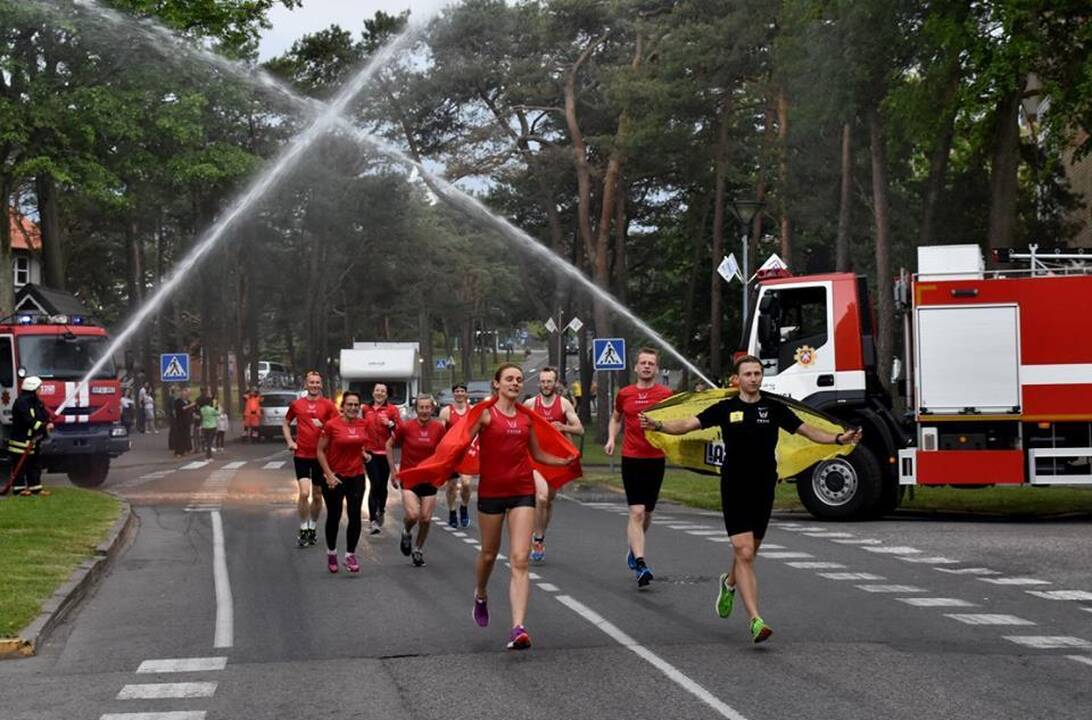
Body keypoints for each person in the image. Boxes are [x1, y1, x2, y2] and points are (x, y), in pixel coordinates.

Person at [641, 354, 862, 643]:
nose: (754, 378)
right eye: (748, 374)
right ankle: (756, 620)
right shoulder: (725, 408)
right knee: (744, 552)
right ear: (738, 379)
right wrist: (658, 426)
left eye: (758, 373)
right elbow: (686, 425)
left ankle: (729, 582)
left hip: (764, 486)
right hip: (734, 486)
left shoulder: (774, 408)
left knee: (750, 552)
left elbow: (808, 431)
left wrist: (836, 439)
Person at [604, 347, 674, 588]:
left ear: (656, 368)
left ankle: (634, 548)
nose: (646, 366)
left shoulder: (665, 394)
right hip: (631, 457)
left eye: (650, 363)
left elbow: (674, 422)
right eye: (642, 362)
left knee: (648, 513)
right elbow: (616, 418)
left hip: (655, 458)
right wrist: (612, 438)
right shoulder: (625, 394)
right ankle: (641, 564)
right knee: (636, 511)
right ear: (635, 367)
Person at [523, 366, 583, 562]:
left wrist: (563, 426)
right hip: (536, 458)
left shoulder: (564, 404)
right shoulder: (531, 403)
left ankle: (540, 535)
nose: (545, 385)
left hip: (556, 459)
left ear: (555, 383)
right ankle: (537, 539)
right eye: (542, 381)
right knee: (541, 497)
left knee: (548, 501)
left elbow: (580, 429)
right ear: (539, 382)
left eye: (549, 381)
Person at [315, 391, 372, 574]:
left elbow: (361, 444)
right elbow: (320, 451)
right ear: (342, 406)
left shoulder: (363, 424)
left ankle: (350, 555)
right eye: (350, 404)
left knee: (355, 515)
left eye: (356, 405)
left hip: (356, 475)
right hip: (335, 477)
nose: (353, 408)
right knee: (334, 515)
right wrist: (329, 474)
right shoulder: (332, 425)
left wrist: (364, 454)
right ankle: (331, 552)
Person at [388, 395, 446, 567]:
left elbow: (445, 451)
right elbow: (389, 445)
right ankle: (406, 532)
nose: (424, 411)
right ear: (415, 409)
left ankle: (418, 549)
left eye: (428, 407)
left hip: (429, 477)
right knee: (413, 515)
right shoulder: (406, 427)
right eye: (421, 407)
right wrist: (393, 471)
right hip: (409, 476)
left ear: (432, 409)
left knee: (426, 519)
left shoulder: (438, 428)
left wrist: (444, 471)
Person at [283, 371, 339, 548]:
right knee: (304, 493)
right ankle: (304, 527)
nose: (314, 385)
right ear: (306, 385)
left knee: (317, 495)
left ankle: (313, 527)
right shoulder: (297, 404)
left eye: (317, 383)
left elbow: (337, 428)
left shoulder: (328, 405)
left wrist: (323, 426)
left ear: (321, 385)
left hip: (320, 457)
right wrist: (290, 441)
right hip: (301, 455)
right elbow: (285, 422)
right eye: (311, 383)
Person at [363, 383, 400, 534]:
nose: (380, 393)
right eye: (377, 390)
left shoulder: (392, 409)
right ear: (373, 393)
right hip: (370, 453)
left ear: (386, 394)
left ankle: (382, 509)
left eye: (383, 391)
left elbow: (400, 431)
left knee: (382, 486)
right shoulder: (365, 409)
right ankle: (373, 520)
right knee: (375, 483)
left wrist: (390, 424)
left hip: (385, 454)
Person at [8, 376, 54, 496]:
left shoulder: (37, 402)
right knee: (20, 466)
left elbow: (43, 415)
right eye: (39, 388)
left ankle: (35, 488)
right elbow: (28, 420)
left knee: (35, 465)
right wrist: (43, 427)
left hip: (33, 441)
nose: (40, 390)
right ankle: (19, 489)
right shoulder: (21, 403)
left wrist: (48, 421)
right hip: (21, 441)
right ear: (33, 388)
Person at [438, 383, 473, 528]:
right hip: (451, 453)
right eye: (457, 391)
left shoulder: (472, 411)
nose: (459, 393)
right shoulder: (446, 411)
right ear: (454, 394)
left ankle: (464, 508)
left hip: (467, 453)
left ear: (466, 394)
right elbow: (440, 432)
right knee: (451, 486)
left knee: (466, 484)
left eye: (462, 391)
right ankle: (452, 512)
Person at [169, 387, 196, 457]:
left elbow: (191, 410)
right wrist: (190, 405)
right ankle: (178, 452)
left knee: (186, 436)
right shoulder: (178, 401)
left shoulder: (188, 401)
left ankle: (185, 450)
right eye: (185, 394)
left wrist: (194, 414)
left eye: (187, 394)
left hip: (187, 421)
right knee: (179, 437)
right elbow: (182, 409)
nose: (186, 395)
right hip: (180, 421)